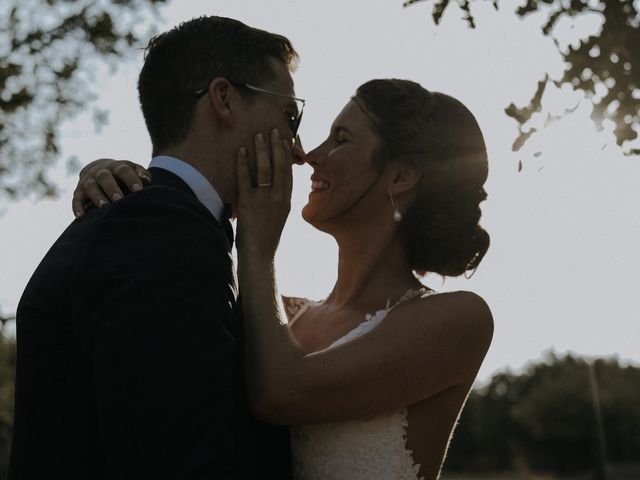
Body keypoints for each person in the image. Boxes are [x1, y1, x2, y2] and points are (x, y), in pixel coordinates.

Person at [74, 79, 494, 479]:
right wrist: (116, 177)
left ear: (400, 176)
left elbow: (279, 391)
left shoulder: (459, 319)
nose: (310, 154)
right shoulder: (282, 315)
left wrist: (257, 242)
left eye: (341, 139)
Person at [9, 16, 303, 479]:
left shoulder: (159, 224)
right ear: (224, 99)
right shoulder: (160, 235)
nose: (299, 147)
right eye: (290, 116)